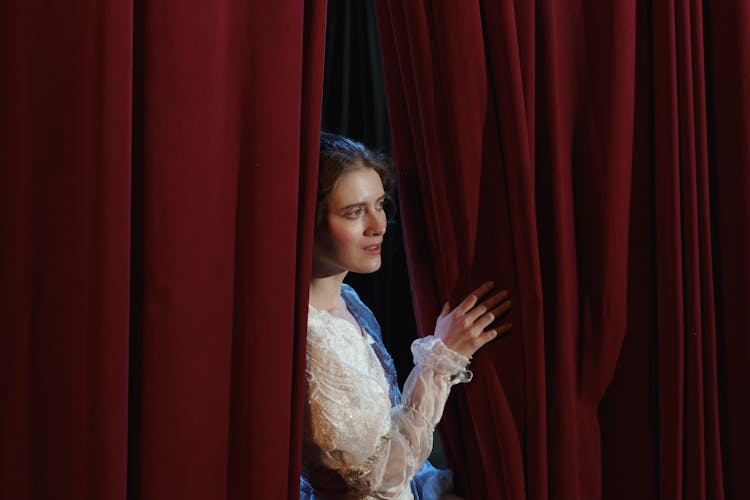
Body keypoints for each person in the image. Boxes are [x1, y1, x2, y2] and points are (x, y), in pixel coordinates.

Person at [300, 132, 512, 499]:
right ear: (309, 220)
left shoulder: (349, 301)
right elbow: (372, 477)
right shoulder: (307, 335)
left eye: (380, 204)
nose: (378, 225)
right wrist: (442, 358)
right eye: (354, 212)